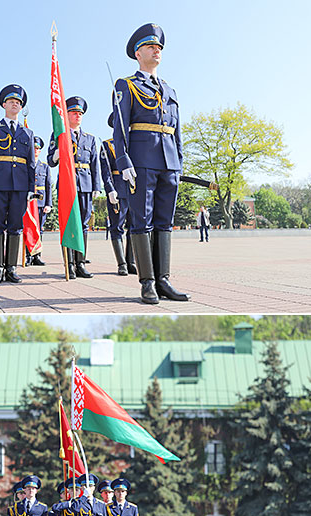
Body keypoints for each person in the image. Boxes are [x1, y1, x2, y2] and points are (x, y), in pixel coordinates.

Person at [112, 23, 188, 306]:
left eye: (159, 47)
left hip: (169, 163)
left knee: (164, 222)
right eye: (150, 46)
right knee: (141, 220)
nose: (156, 50)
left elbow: (177, 129)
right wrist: (123, 160)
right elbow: (120, 128)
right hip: (141, 162)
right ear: (137, 52)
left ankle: (163, 280)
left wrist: (179, 162)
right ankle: (147, 283)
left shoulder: (170, 90)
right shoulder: (127, 85)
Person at [0, 84, 35, 285]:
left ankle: (11, 268)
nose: (15, 105)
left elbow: (31, 164)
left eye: (18, 102)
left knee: (16, 226)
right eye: (11, 101)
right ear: (4, 104)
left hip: (19, 186)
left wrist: (31, 189)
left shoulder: (27, 134)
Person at [47, 95, 100, 279]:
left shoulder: (90, 139)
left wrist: (96, 186)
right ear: (66, 114)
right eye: (74, 112)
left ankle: (80, 263)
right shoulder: (59, 134)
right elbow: (50, 162)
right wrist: (56, 154)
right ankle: (68, 264)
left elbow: (95, 164)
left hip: (85, 184)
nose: (77, 116)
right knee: (68, 223)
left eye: (80, 113)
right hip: (67, 184)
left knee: (83, 225)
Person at [100, 115, 136, 276]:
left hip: (134, 190)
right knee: (117, 227)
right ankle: (121, 263)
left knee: (135, 227)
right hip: (118, 189)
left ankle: (132, 262)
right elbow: (105, 171)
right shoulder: (107, 145)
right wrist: (109, 190)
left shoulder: (136, 144)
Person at [29, 137, 52, 265]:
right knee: (29, 228)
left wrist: (49, 203)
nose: (36, 150)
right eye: (34, 148)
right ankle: (28, 255)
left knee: (40, 230)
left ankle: (37, 256)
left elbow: (48, 185)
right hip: (29, 202)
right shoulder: (27, 165)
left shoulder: (45, 167)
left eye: (38, 148)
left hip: (41, 202)